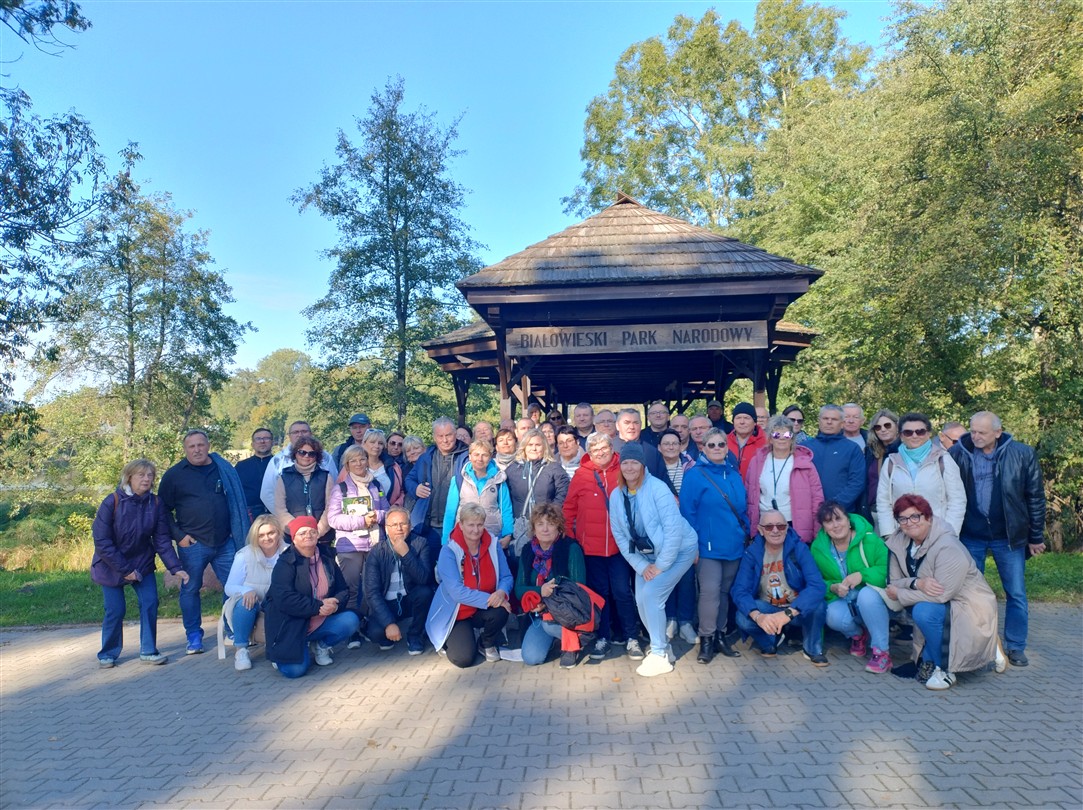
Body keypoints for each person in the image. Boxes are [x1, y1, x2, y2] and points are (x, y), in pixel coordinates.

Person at [950, 411, 1046, 667]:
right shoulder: (958, 453)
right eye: (972, 431)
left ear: (998, 432)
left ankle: (1015, 646)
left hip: (1008, 536)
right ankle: (976, 646)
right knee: (969, 593)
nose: (976, 436)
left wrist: (1035, 536)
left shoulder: (1022, 454)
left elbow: (1035, 496)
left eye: (982, 432)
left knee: (1016, 593)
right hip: (970, 535)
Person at [884, 494, 1005, 690]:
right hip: (937, 601)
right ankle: (936, 659)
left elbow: (941, 594)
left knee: (923, 611)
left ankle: (946, 669)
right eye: (903, 518)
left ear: (928, 517)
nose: (909, 523)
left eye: (915, 516)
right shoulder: (898, 542)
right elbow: (894, 581)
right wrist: (917, 583)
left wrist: (901, 594)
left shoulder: (948, 546)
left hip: (968, 605)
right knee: (922, 609)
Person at [609, 442, 698, 677]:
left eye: (634, 462)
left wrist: (661, 566)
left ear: (642, 465)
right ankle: (664, 648)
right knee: (642, 600)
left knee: (651, 595)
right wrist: (642, 566)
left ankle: (658, 653)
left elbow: (673, 532)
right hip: (646, 556)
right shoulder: (616, 496)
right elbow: (620, 536)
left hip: (679, 550)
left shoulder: (658, 489)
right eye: (625, 462)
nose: (629, 467)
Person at [159, 429, 250, 655]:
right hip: (193, 544)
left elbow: (235, 501)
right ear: (185, 449)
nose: (197, 450)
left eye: (201, 445)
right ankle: (193, 636)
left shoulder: (222, 469)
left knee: (234, 586)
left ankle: (232, 630)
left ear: (208, 446)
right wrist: (179, 536)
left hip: (225, 542)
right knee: (190, 589)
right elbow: (162, 511)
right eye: (192, 446)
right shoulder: (174, 475)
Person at [91, 459, 190, 668]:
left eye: (150, 475)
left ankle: (148, 650)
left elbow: (162, 540)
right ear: (129, 478)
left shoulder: (155, 503)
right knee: (115, 610)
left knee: (150, 602)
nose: (146, 479)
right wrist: (125, 570)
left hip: (142, 562)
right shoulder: (112, 501)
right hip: (111, 564)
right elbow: (102, 541)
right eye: (141, 475)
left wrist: (175, 567)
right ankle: (107, 653)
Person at [563, 432, 640, 660]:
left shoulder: (623, 470)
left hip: (619, 547)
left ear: (611, 448)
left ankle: (632, 637)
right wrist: (573, 540)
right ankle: (603, 637)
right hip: (591, 548)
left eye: (604, 448)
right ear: (589, 453)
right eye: (595, 450)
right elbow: (569, 509)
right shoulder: (581, 475)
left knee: (622, 592)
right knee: (600, 594)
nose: (600, 453)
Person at [679, 433, 748, 663]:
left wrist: (745, 532)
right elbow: (687, 513)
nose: (717, 447)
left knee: (724, 592)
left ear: (727, 448)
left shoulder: (734, 474)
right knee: (709, 592)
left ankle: (720, 635)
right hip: (707, 546)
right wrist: (693, 546)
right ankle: (706, 639)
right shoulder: (694, 475)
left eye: (721, 444)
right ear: (703, 448)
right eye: (712, 444)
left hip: (734, 544)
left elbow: (743, 509)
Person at [265, 516, 360, 678]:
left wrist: (335, 604)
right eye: (302, 533)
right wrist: (318, 606)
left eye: (312, 532)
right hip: (292, 625)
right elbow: (285, 599)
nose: (308, 536)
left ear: (318, 535)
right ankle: (291, 650)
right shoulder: (285, 563)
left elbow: (343, 589)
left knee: (350, 620)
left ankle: (320, 646)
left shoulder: (327, 557)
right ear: (294, 539)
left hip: (320, 619)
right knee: (294, 671)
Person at [732, 509, 829, 666]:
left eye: (781, 526)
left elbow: (817, 586)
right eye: (769, 527)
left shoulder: (799, 548)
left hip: (796, 609)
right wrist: (758, 616)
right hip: (768, 609)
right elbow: (739, 590)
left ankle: (812, 648)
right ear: (761, 530)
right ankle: (770, 642)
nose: (775, 530)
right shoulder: (752, 553)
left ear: (787, 528)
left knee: (818, 605)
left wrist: (788, 613)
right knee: (742, 617)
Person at [425, 502, 513, 667]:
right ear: (461, 525)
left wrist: (501, 592)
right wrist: (492, 599)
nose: (476, 530)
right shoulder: (448, 551)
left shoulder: (493, 544)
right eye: (471, 525)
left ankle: (485, 643)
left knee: (501, 610)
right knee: (463, 659)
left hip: (484, 608)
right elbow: (457, 592)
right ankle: (457, 637)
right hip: (458, 612)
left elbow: (506, 576)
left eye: (480, 524)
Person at [809, 501, 892, 674]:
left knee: (866, 595)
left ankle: (881, 652)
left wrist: (862, 575)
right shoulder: (818, 548)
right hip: (843, 600)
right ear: (824, 527)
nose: (835, 525)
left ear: (848, 520)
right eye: (829, 522)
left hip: (873, 600)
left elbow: (888, 570)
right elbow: (815, 581)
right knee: (832, 615)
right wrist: (832, 587)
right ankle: (858, 635)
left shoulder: (869, 539)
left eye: (838, 519)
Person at [326, 444, 390, 643]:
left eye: (362, 459)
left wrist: (377, 516)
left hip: (374, 544)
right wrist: (362, 521)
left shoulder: (376, 485)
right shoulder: (340, 489)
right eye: (353, 460)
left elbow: (387, 511)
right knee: (351, 589)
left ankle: (369, 625)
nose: (359, 463)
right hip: (351, 547)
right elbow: (333, 519)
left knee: (373, 587)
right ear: (347, 465)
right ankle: (351, 630)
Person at [514, 503, 590, 667]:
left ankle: (573, 644)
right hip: (539, 615)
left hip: (569, 614)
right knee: (531, 657)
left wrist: (547, 603)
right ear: (534, 528)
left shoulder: (571, 548)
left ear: (559, 527)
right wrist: (539, 592)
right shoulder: (528, 551)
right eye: (540, 524)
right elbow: (519, 589)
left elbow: (579, 590)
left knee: (549, 626)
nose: (545, 529)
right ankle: (556, 641)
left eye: (550, 523)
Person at [876, 412, 966, 538]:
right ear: (901, 436)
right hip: (902, 535)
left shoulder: (943, 460)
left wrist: (949, 533)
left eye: (920, 432)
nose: (914, 436)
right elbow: (883, 502)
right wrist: (889, 534)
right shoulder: (891, 463)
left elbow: (957, 500)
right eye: (908, 432)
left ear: (928, 434)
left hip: (937, 535)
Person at [362, 506, 434, 654]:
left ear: (410, 525)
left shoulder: (421, 543)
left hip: (409, 598)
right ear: (386, 528)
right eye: (394, 525)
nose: (399, 528)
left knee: (425, 593)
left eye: (403, 524)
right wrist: (389, 623)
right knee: (376, 633)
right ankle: (388, 632)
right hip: (387, 602)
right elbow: (372, 593)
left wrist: (406, 554)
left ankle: (415, 635)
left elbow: (424, 579)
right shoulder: (377, 552)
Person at [744, 416, 824, 544]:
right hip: (765, 523)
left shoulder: (805, 464)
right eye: (776, 435)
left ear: (792, 438)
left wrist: (817, 532)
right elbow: (749, 497)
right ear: (770, 438)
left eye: (787, 434)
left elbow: (817, 500)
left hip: (794, 524)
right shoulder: (756, 461)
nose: (782, 438)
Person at [222, 515, 288, 671]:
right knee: (245, 603)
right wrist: (246, 590)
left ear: (279, 533)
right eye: (261, 535)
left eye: (271, 533)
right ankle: (241, 650)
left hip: (278, 602)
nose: (266, 538)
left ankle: (281, 648)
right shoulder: (244, 555)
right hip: (253, 602)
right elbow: (229, 587)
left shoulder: (289, 552)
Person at [405, 417, 470, 567]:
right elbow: (409, 479)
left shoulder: (466, 456)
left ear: (455, 434)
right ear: (434, 437)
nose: (445, 440)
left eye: (448, 435)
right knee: (428, 568)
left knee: (456, 568)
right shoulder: (426, 457)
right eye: (440, 436)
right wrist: (415, 488)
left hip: (457, 525)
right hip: (430, 526)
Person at [657, 428, 697, 645]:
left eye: (675, 443)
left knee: (687, 578)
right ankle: (670, 619)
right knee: (667, 576)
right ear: (659, 447)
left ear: (681, 446)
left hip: (688, 532)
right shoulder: (653, 470)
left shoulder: (692, 468)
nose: (671, 447)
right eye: (666, 443)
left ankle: (686, 622)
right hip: (663, 533)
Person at [506, 428, 569, 558]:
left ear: (544, 446)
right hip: (521, 527)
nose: (534, 448)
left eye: (538, 445)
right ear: (524, 447)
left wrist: (549, 517)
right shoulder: (512, 469)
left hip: (547, 527)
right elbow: (506, 500)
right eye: (530, 445)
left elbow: (563, 494)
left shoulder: (555, 468)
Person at [441, 439, 513, 552]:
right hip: (463, 536)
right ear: (470, 456)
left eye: (484, 455)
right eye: (476, 454)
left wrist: (507, 534)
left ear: (490, 457)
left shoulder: (499, 479)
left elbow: (506, 509)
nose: (480, 458)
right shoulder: (459, 479)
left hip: (492, 536)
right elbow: (450, 511)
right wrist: (445, 540)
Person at [260, 421, 337, 514]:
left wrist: (327, 518)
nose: (300, 435)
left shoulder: (326, 458)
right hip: (289, 519)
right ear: (289, 436)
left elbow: (334, 488)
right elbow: (267, 494)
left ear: (311, 434)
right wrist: (283, 517)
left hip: (322, 517)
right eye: (295, 432)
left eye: (304, 431)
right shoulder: (278, 461)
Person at [273, 436, 335, 545]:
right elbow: (280, 509)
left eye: (311, 454)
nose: (306, 456)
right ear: (295, 454)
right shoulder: (284, 477)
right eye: (302, 452)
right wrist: (298, 531)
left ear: (317, 456)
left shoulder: (326, 477)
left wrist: (318, 531)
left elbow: (331, 507)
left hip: (323, 537)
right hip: (293, 537)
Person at [806, 404, 866, 514]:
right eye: (825, 418)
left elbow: (857, 482)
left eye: (834, 419)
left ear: (842, 423)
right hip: (808, 510)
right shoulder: (805, 448)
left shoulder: (852, 449)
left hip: (841, 512)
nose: (829, 422)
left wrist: (835, 506)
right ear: (819, 421)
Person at [864, 409, 900, 530]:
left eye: (887, 425)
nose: (883, 429)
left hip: (900, 511)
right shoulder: (870, 451)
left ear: (897, 426)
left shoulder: (906, 450)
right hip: (875, 511)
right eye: (878, 427)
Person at [234, 428, 274, 519]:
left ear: (272, 442)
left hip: (276, 511)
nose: (262, 441)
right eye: (258, 439)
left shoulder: (280, 464)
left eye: (266, 438)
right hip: (249, 514)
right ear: (252, 444)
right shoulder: (241, 466)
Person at [358, 427, 404, 507]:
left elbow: (402, 491)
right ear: (363, 444)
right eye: (372, 442)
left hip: (389, 512)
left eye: (380, 443)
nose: (376, 446)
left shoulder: (393, 467)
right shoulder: (353, 465)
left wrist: (396, 505)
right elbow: (341, 489)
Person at [727, 403, 767, 478]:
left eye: (746, 418)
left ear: (754, 422)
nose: (742, 422)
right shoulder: (723, 442)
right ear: (733, 421)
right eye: (738, 418)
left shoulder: (766, 443)